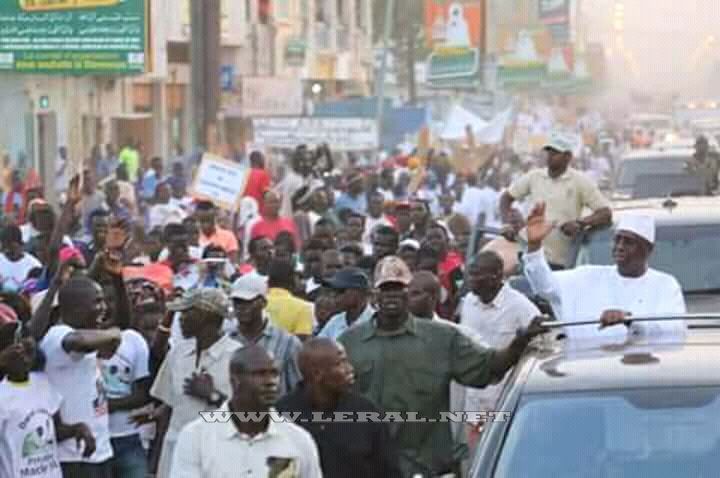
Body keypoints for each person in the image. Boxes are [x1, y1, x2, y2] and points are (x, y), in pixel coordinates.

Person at [338, 256, 547, 477]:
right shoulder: (349, 342)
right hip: (369, 468)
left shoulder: (442, 338)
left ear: (408, 293)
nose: (392, 295)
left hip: (429, 468)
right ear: (374, 296)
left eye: (399, 289)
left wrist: (519, 344)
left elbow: (487, 367)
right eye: (386, 289)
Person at [523, 202, 687, 345]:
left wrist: (630, 320)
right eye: (617, 239)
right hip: (590, 373)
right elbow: (545, 286)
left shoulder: (665, 285)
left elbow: (673, 329)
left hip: (644, 373)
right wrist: (534, 245)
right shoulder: (588, 276)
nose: (619, 246)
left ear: (648, 250)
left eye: (629, 242)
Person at [171, 345, 323, 477]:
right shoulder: (196, 437)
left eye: (275, 373)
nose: (271, 382)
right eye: (260, 374)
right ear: (235, 381)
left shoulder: (298, 440)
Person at [149, 288, 241, 478]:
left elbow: (249, 415)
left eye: (186, 313)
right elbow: (169, 408)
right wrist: (156, 460)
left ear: (207, 317)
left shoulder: (237, 357)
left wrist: (213, 396)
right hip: (176, 452)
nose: (180, 319)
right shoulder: (178, 353)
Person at [276, 338, 401, 478]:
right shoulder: (282, 415)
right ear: (317, 374)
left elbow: (388, 470)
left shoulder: (366, 412)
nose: (350, 369)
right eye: (341, 363)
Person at [40, 277, 121, 476]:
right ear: (75, 307)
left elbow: (113, 339)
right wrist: (113, 333)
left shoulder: (90, 334)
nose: (103, 308)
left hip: (99, 451)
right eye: (97, 301)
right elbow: (78, 341)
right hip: (73, 456)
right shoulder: (56, 334)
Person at [0, 313, 96, 478]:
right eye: (17, 352)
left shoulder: (43, 383)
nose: (24, 358)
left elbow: (54, 431)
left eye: (29, 352)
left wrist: (78, 429)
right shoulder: (3, 395)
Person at [500, 131, 612, 269]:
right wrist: (507, 224)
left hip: (562, 262)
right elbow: (506, 198)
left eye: (556, 153)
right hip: (531, 256)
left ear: (568, 157)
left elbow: (605, 213)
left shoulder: (579, 181)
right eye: (549, 152)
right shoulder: (534, 177)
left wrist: (580, 223)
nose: (550, 156)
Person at [460, 251, 540, 443]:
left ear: (496, 275)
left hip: (504, 406)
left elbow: (540, 343)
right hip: (473, 407)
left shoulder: (520, 306)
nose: (471, 279)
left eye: (477, 274)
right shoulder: (468, 303)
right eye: (470, 273)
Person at [229, 273, 302, 396]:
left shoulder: (288, 342)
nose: (241, 308)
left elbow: (297, 389)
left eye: (248, 302)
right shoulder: (227, 338)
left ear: (263, 303)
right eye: (237, 302)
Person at [318, 268, 374, 340]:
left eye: (340, 291)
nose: (334, 296)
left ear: (358, 292)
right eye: (333, 291)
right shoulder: (335, 322)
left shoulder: (376, 321)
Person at [265, 258, 314, 338]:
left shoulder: (257, 303)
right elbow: (302, 343)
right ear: (293, 280)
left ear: (268, 281)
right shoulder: (303, 308)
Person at [0, 224, 42, 292]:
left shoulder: (34, 265)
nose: (8, 251)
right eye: (5, 248)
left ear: (20, 244)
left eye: (12, 247)